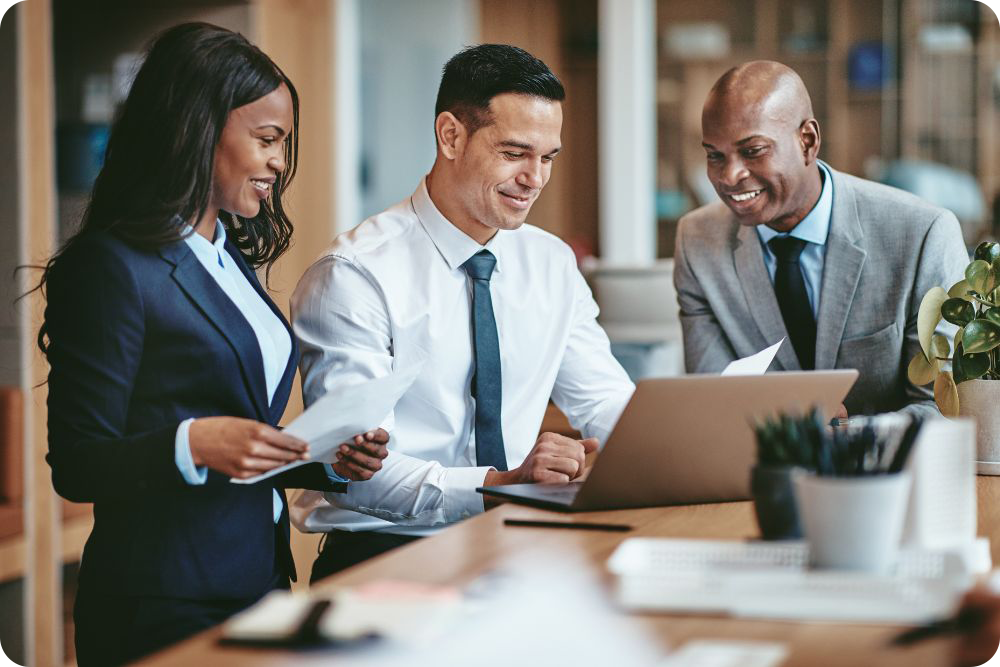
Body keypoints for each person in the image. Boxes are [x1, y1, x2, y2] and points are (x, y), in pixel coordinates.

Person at [38, 23, 388, 666]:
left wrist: (326, 462)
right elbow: (79, 463)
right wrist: (194, 441)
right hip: (160, 604)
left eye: (283, 143)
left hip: (258, 583)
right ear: (198, 128)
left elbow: (240, 446)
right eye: (266, 139)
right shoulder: (112, 267)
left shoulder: (229, 262)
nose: (280, 163)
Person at [290, 44, 635, 580]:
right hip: (387, 561)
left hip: (520, 550)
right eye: (515, 152)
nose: (535, 179)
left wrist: (669, 451)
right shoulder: (355, 274)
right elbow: (357, 474)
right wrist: (504, 484)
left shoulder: (550, 263)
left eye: (547, 158)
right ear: (451, 135)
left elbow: (604, 400)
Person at [673, 60, 968, 417]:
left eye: (753, 151)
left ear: (807, 141)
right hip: (759, 470)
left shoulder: (923, 234)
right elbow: (714, 401)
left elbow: (941, 408)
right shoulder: (697, 241)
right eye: (715, 156)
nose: (729, 175)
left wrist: (845, 437)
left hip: (887, 470)